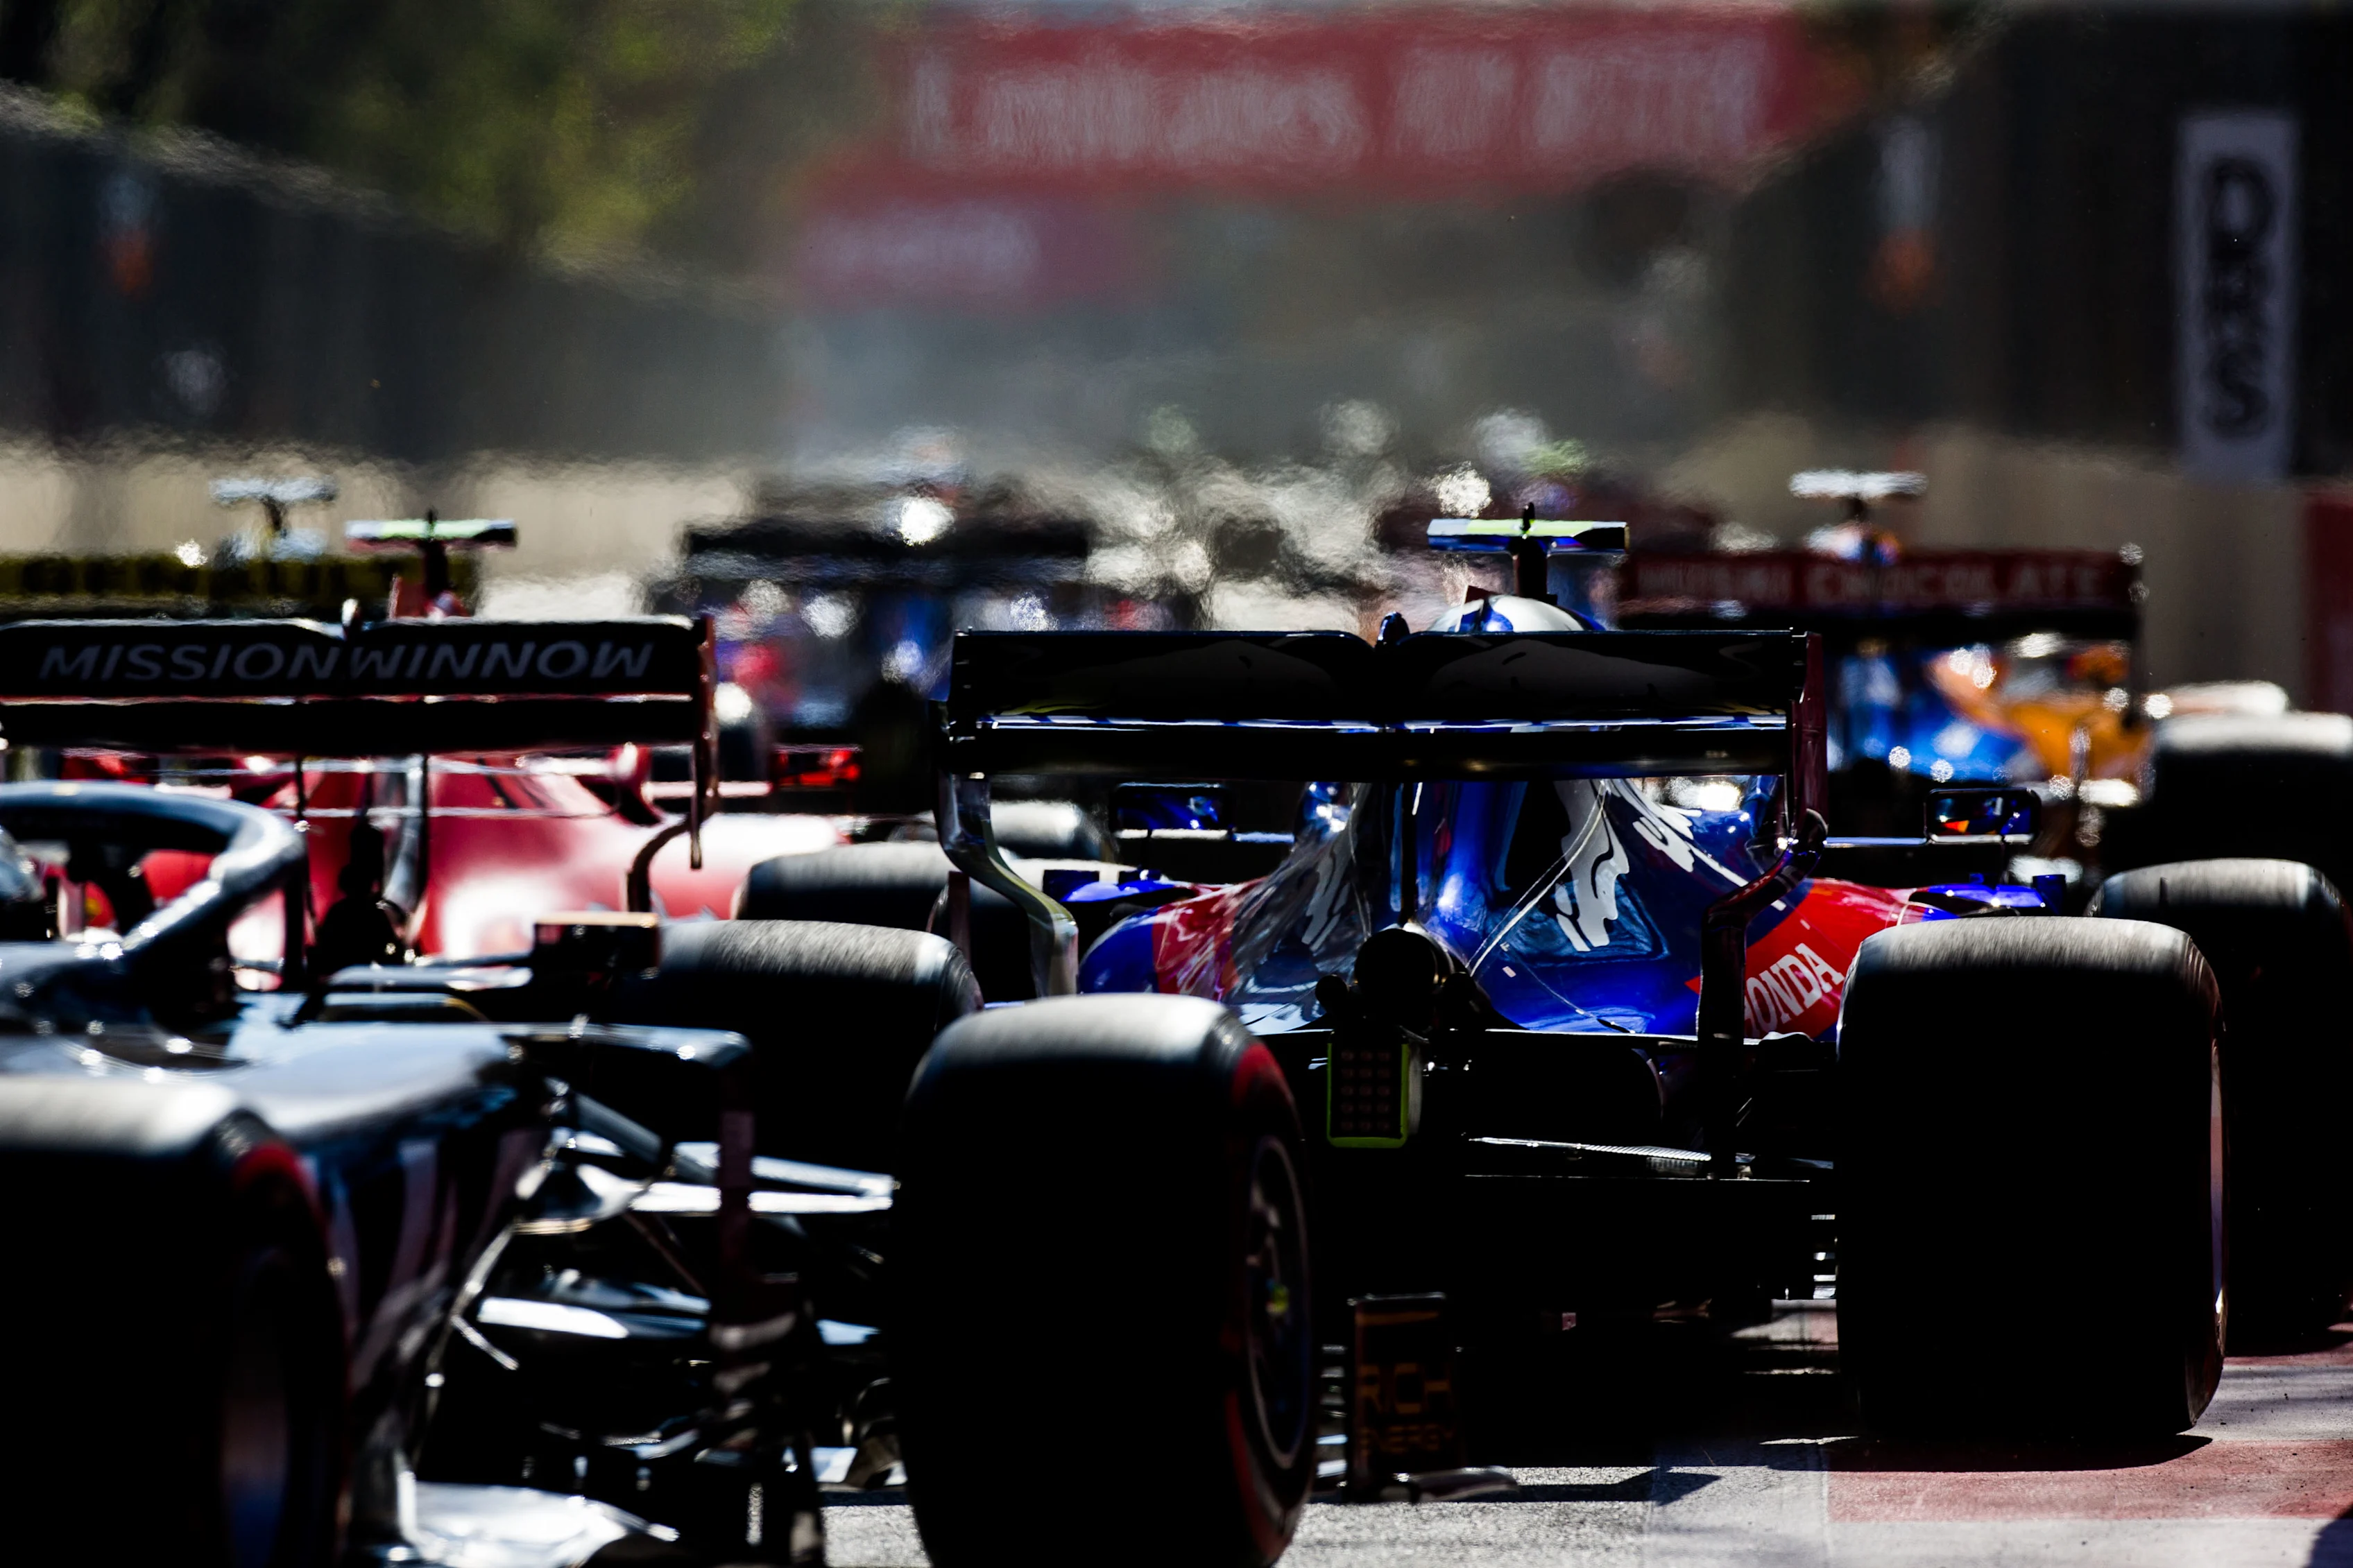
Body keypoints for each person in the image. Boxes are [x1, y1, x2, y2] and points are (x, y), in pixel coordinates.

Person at [312, 819, 407, 976]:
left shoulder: (338, 912)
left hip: (341, 980)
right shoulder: (374, 914)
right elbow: (389, 958)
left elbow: (324, 951)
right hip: (359, 979)